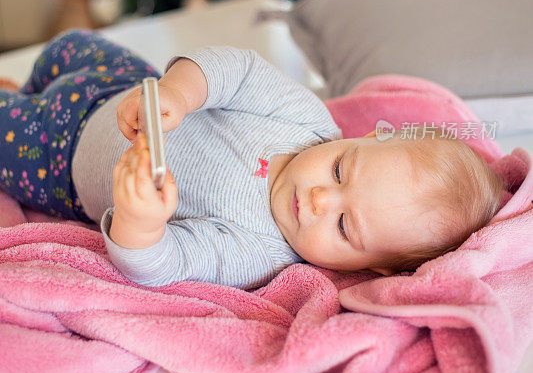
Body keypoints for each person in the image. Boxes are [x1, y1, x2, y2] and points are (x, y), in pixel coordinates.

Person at [0, 29, 504, 289]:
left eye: (345, 226)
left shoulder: (259, 253)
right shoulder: (305, 120)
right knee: (68, 45)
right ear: (363, 137)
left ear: (370, 269)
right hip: (125, 84)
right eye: (339, 170)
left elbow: (163, 265)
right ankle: (30, 89)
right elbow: (239, 71)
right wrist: (178, 93)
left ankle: (22, 103)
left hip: (56, 156)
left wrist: (139, 222)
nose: (319, 198)